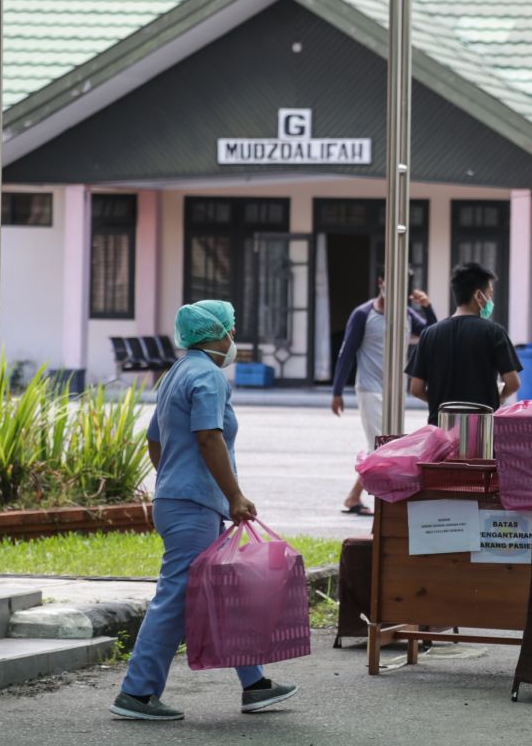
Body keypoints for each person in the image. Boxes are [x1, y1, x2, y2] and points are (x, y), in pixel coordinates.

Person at [111, 300, 297, 721]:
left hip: (180, 500)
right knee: (175, 598)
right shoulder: (209, 377)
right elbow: (209, 437)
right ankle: (137, 693)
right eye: (231, 328)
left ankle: (255, 685)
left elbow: (154, 439)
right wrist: (234, 495)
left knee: (221, 592)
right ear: (215, 333)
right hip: (194, 507)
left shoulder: (176, 372)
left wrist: (174, 478)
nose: (233, 336)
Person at [331, 274, 433, 515]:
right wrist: (337, 391)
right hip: (369, 389)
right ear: (380, 283)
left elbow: (432, 334)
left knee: (384, 446)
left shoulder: (407, 314)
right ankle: (374, 499)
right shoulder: (363, 314)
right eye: (390, 282)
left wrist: (427, 308)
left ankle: (354, 497)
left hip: (395, 393)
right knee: (383, 447)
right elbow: (347, 353)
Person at [406, 262, 522, 424]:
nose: (490, 300)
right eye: (489, 294)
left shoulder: (429, 334)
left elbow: (416, 389)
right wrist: (497, 398)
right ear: (478, 296)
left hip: (440, 431)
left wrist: (439, 404)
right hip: (482, 433)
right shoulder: (495, 332)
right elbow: (513, 383)